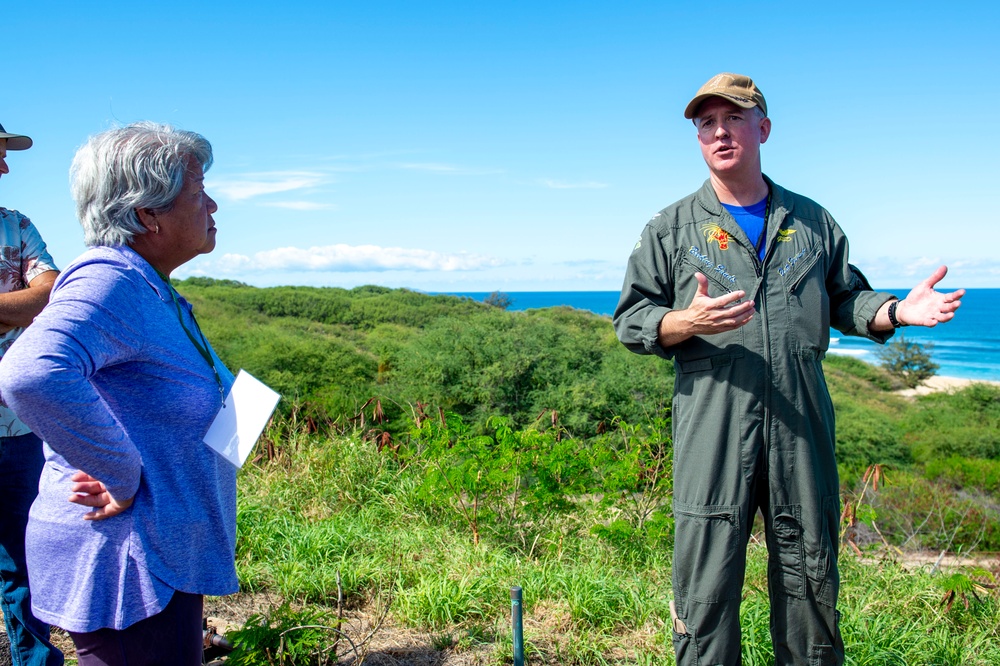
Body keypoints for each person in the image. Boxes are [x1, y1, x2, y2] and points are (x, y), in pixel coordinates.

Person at [613, 73, 964, 666]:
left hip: (801, 426)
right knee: (705, 586)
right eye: (706, 124)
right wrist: (686, 322)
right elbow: (632, 320)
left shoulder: (813, 221)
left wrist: (898, 310)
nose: (719, 132)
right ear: (698, 138)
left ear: (764, 129)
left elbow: (846, 297)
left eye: (734, 119)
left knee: (812, 582)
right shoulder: (670, 228)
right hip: (712, 429)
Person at [0, 122, 235, 666]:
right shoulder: (110, 280)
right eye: (198, 195)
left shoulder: (151, 285)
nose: (214, 206)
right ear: (147, 215)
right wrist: (120, 474)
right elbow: (29, 372)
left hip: (162, 552)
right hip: (129, 562)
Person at [0, 123, 63, 666]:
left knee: (23, 559)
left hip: (15, 427)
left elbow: (49, 292)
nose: (4, 168)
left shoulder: (16, 225)